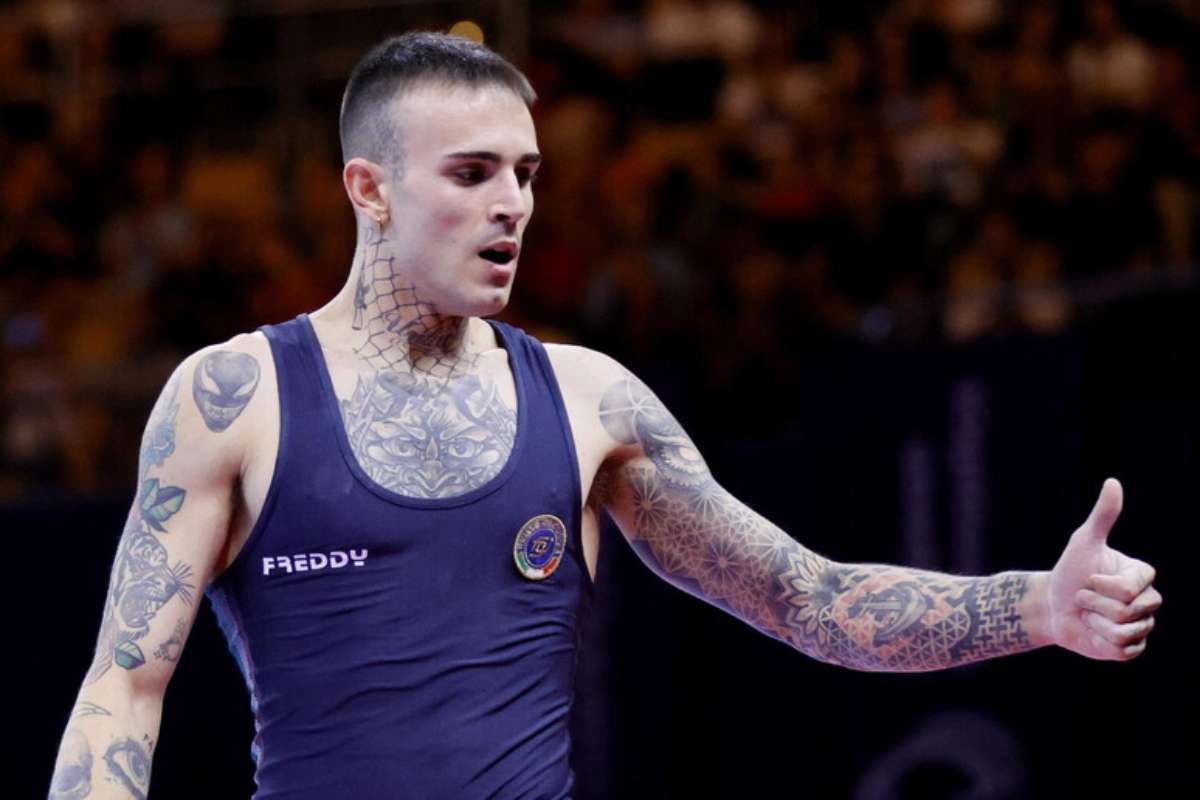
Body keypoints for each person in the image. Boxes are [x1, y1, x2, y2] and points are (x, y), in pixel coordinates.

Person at [48, 32, 1162, 800]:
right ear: (368, 188)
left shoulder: (591, 402)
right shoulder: (233, 398)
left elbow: (806, 599)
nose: (512, 206)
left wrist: (1036, 604)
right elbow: (123, 687)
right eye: (472, 173)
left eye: (526, 174)